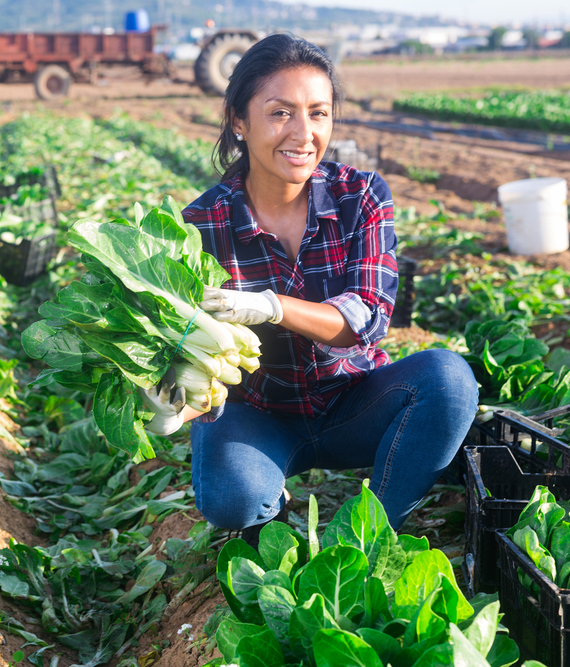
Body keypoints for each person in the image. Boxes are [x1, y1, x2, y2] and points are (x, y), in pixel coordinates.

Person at [142, 34, 478, 545]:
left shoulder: (360, 196)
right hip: (257, 413)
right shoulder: (201, 224)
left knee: (449, 381)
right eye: (280, 113)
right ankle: (269, 515)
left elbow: (365, 318)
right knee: (232, 499)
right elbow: (193, 353)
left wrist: (272, 307)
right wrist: (173, 406)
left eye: (318, 113)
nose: (303, 134)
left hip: (354, 402)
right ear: (238, 120)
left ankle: (369, 538)